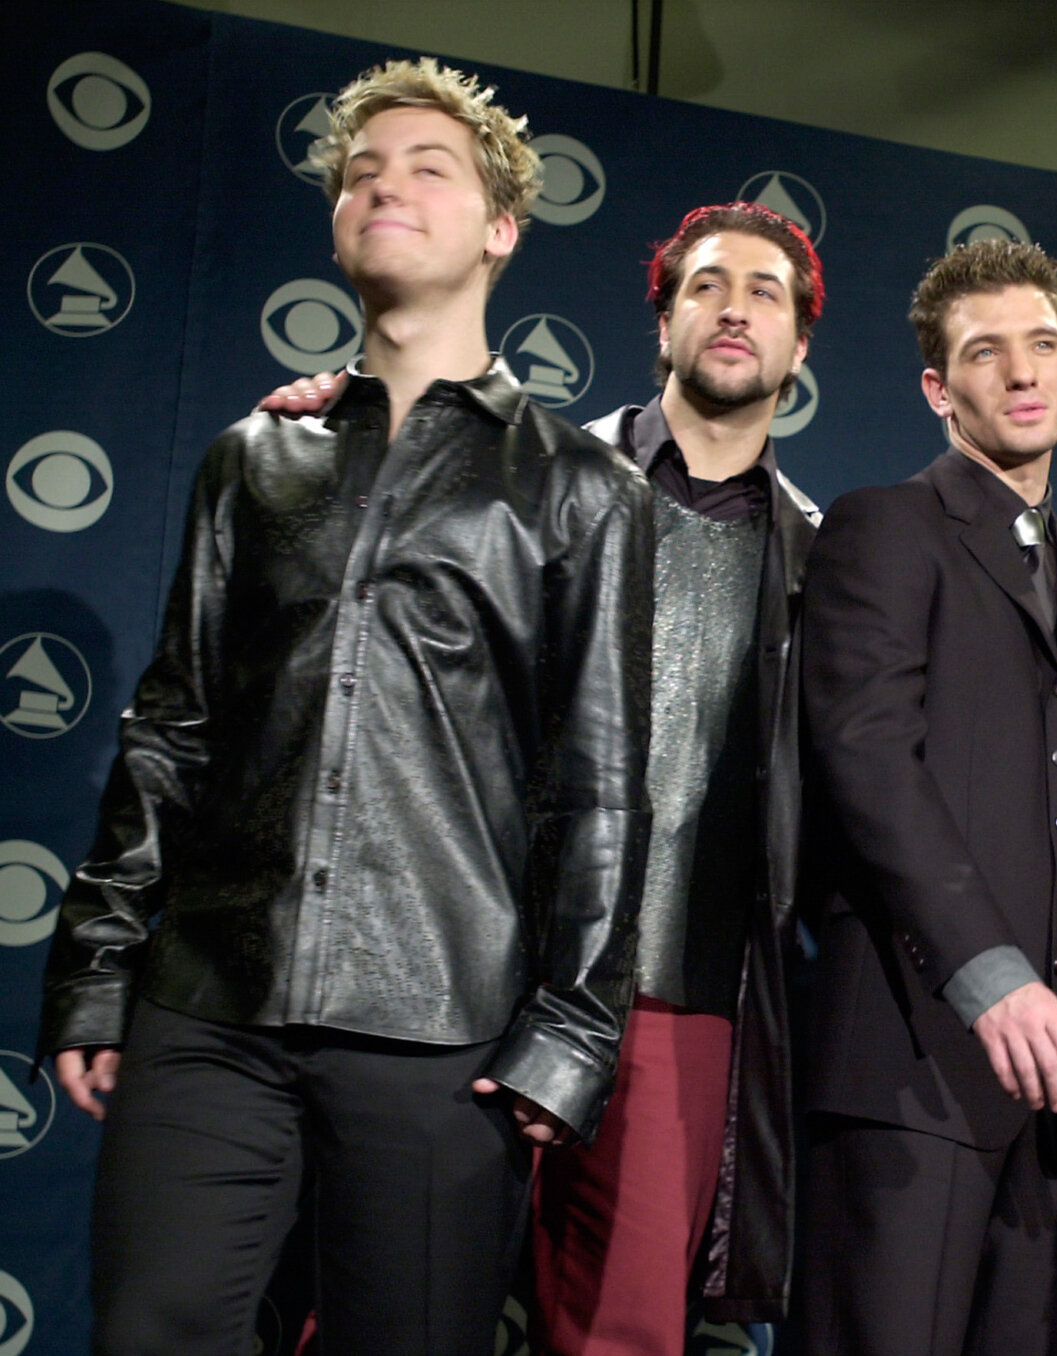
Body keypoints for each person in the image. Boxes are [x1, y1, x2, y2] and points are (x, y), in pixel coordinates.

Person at [38, 58, 651, 1355]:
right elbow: (172, 727)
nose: (387, 183)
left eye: (431, 165)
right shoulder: (254, 455)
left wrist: (575, 1033)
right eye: (363, 170)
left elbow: (603, 788)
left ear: (501, 228)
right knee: (155, 1331)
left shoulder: (583, 487)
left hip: (441, 1033)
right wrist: (98, 972)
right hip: (211, 1005)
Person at [259, 200, 825, 1351]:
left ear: (800, 347)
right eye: (708, 285)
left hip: (681, 999)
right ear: (662, 316)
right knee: (373, 1308)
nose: (736, 310)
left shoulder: (828, 556)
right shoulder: (529, 474)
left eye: (767, 292)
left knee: (621, 1334)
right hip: (465, 968)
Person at [795, 239, 1057, 1356]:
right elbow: (866, 759)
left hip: (1055, 1097)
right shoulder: (885, 525)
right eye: (988, 354)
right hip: (910, 1065)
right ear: (940, 390)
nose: (1023, 373)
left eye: (1043, 347)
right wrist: (993, 979)